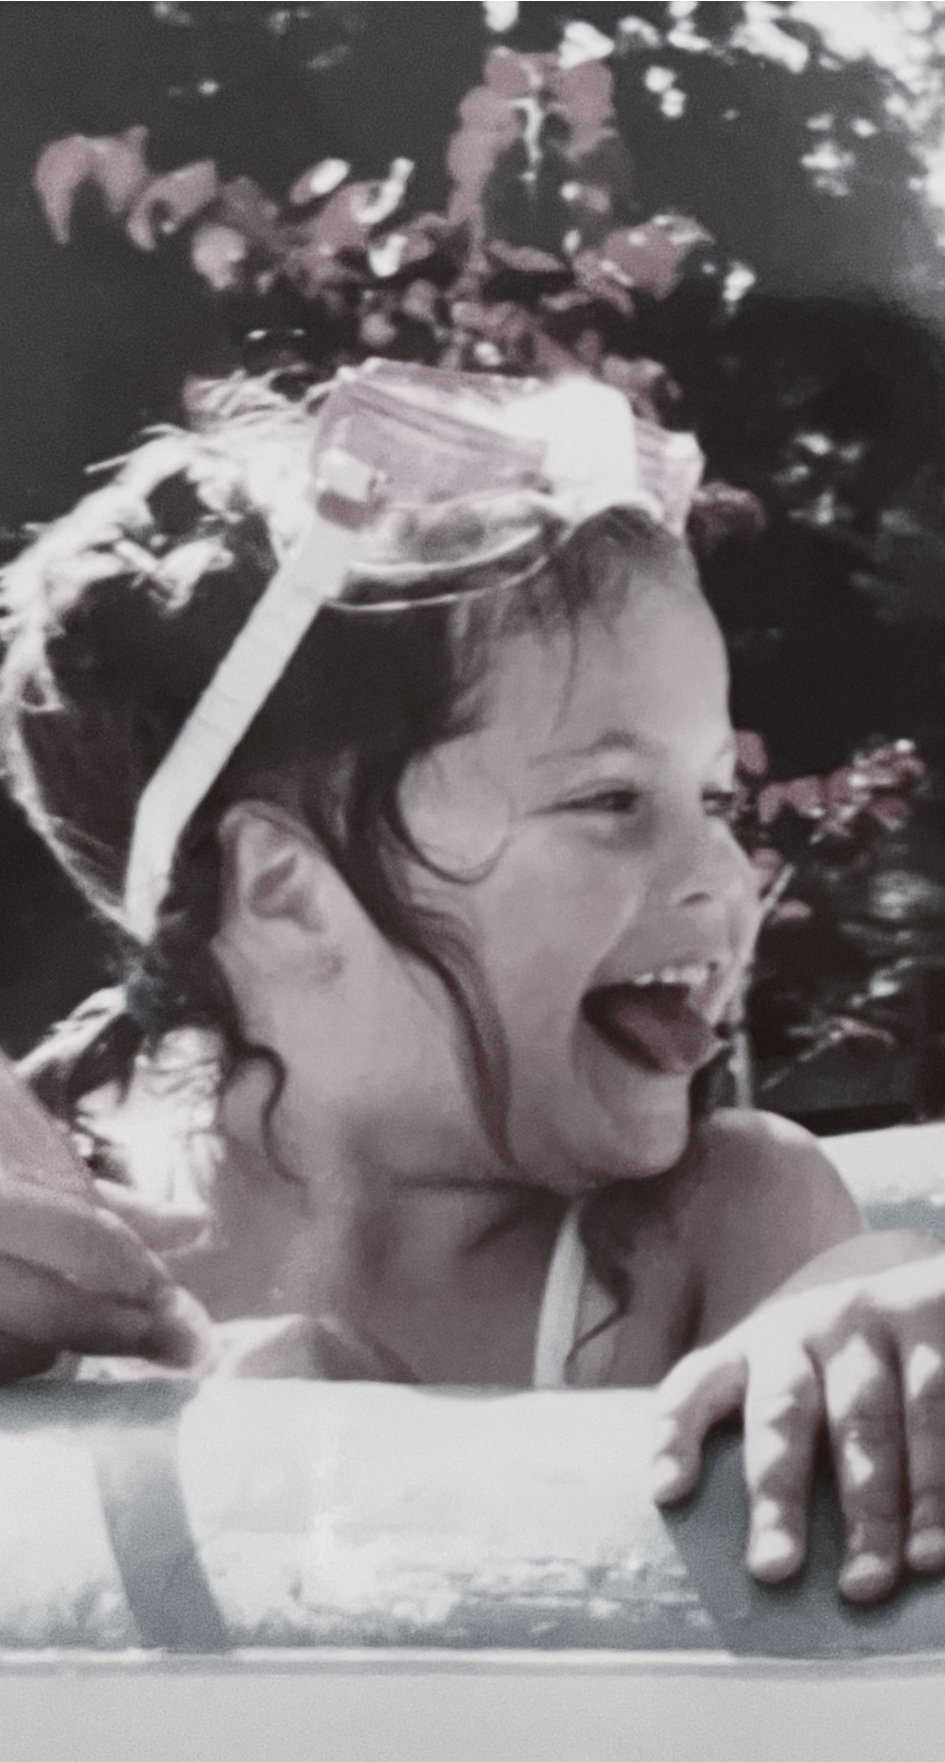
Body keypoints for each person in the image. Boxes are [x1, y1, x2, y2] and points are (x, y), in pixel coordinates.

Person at [0, 358, 942, 1607]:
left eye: (712, 798)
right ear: (286, 890)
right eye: (612, 800)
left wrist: (870, 1321)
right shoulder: (58, 1212)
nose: (724, 868)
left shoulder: (717, 1228)